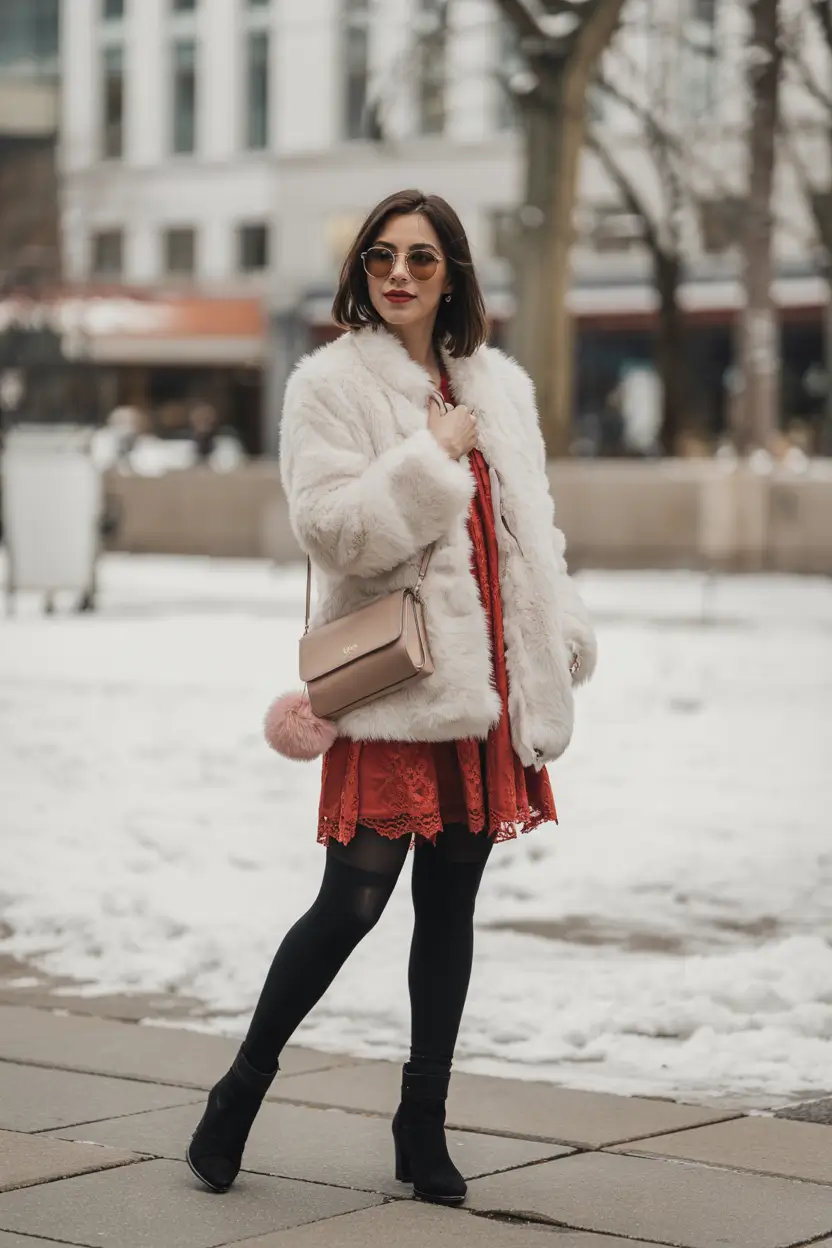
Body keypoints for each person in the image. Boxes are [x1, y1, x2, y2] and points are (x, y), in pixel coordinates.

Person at [186, 189, 597, 1206]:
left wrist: (561, 628)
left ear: (452, 271)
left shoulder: (497, 385)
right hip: (402, 676)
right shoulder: (327, 385)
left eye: (421, 256)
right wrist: (431, 457)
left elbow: (531, 531)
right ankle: (240, 1089)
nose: (399, 274)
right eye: (380, 257)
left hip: (488, 678)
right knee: (353, 900)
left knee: (450, 905)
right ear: (361, 273)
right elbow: (332, 530)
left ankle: (423, 1124)